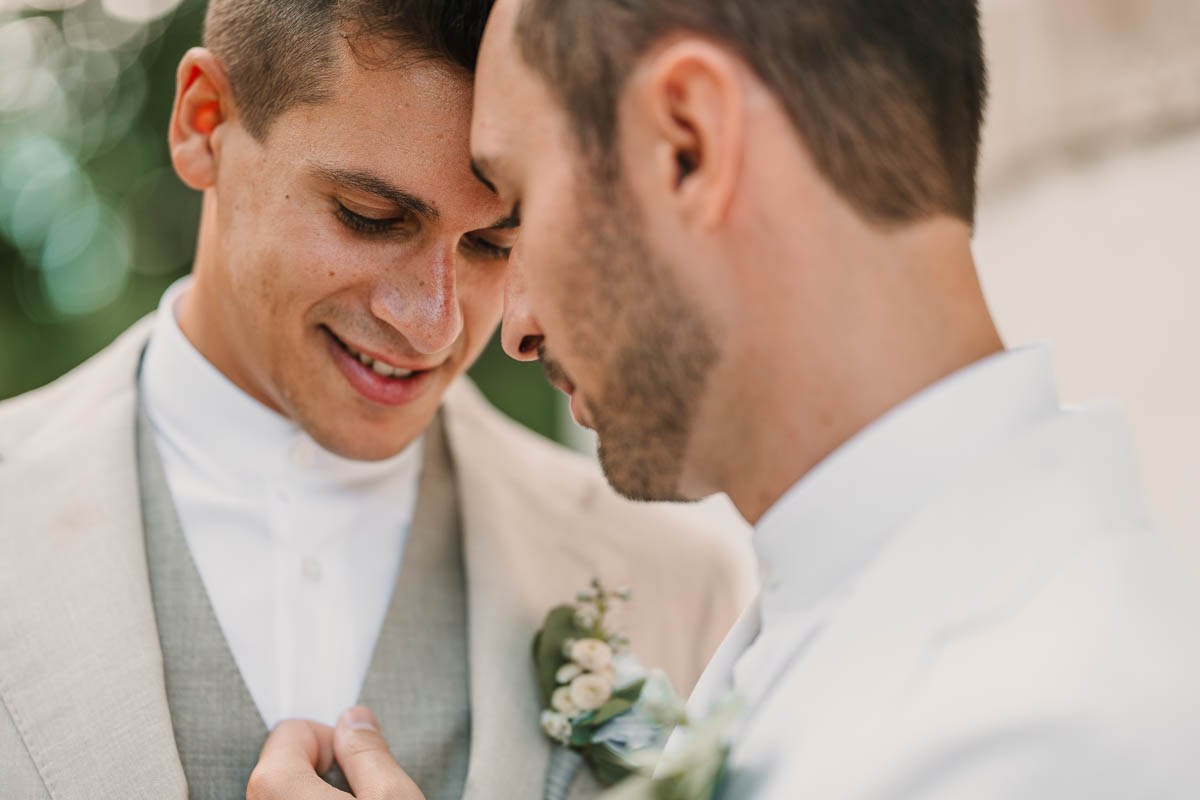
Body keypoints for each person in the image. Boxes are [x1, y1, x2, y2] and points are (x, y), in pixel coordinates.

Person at [0, 2, 753, 799]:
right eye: (371, 217)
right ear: (202, 120)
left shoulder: (678, 584)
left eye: (495, 243)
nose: (435, 325)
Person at [462, 0, 1200, 797]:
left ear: (688, 143)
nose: (517, 326)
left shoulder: (1053, 732)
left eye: (520, 209)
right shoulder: (832, 608)